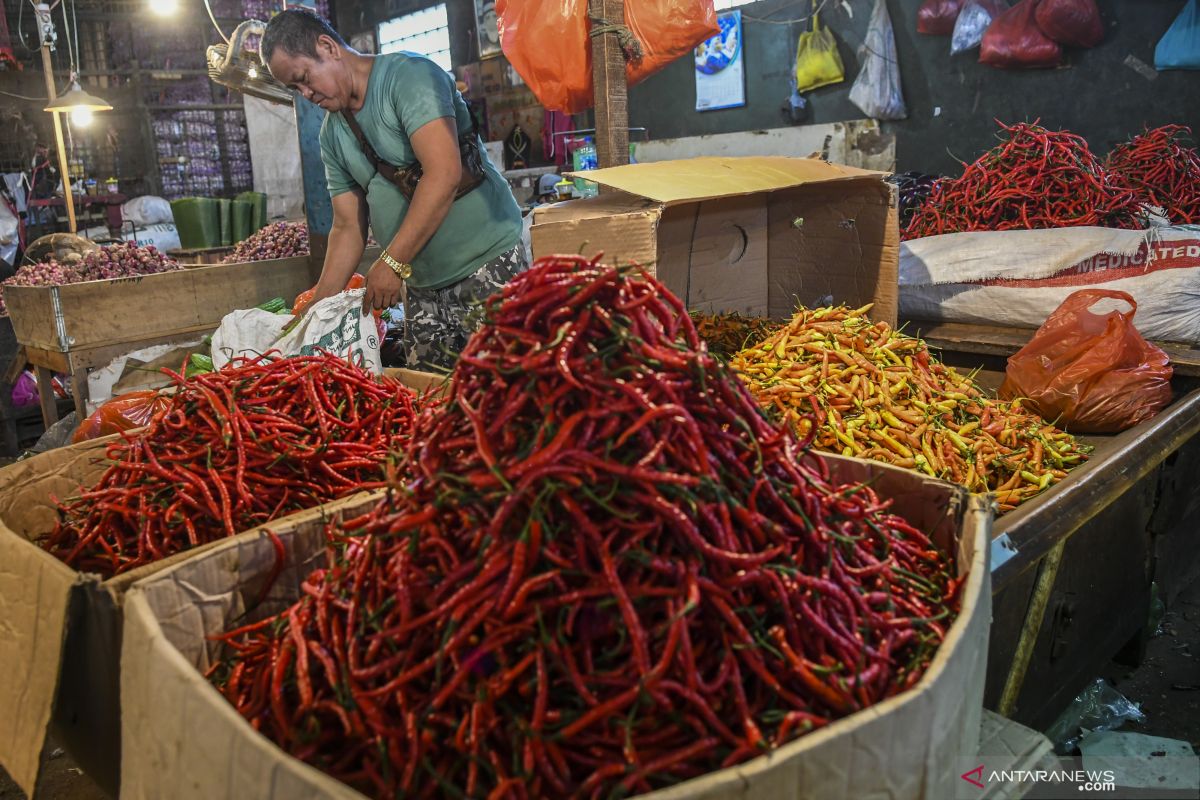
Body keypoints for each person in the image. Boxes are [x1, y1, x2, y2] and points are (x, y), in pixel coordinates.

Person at [261, 10, 525, 370]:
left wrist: (392, 261)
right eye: (295, 89)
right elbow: (347, 226)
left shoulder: (408, 77)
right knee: (431, 405)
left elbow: (444, 173)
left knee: (511, 389)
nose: (306, 94)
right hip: (423, 289)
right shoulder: (332, 133)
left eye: (304, 78)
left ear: (327, 47)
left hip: (486, 268)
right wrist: (318, 305)